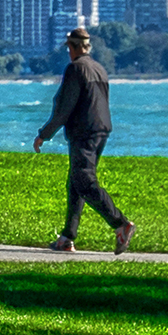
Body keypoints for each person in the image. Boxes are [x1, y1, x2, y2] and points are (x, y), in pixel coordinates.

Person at [33, 26, 136, 254]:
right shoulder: (99, 69)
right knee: (76, 183)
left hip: (84, 132)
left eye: (69, 47)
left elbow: (64, 109)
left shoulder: (75, 69)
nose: (68, 52)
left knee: (84, 181)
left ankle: (120, 224)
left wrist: (44, 134)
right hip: (102, 130)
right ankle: (67, 238)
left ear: (74, 47)